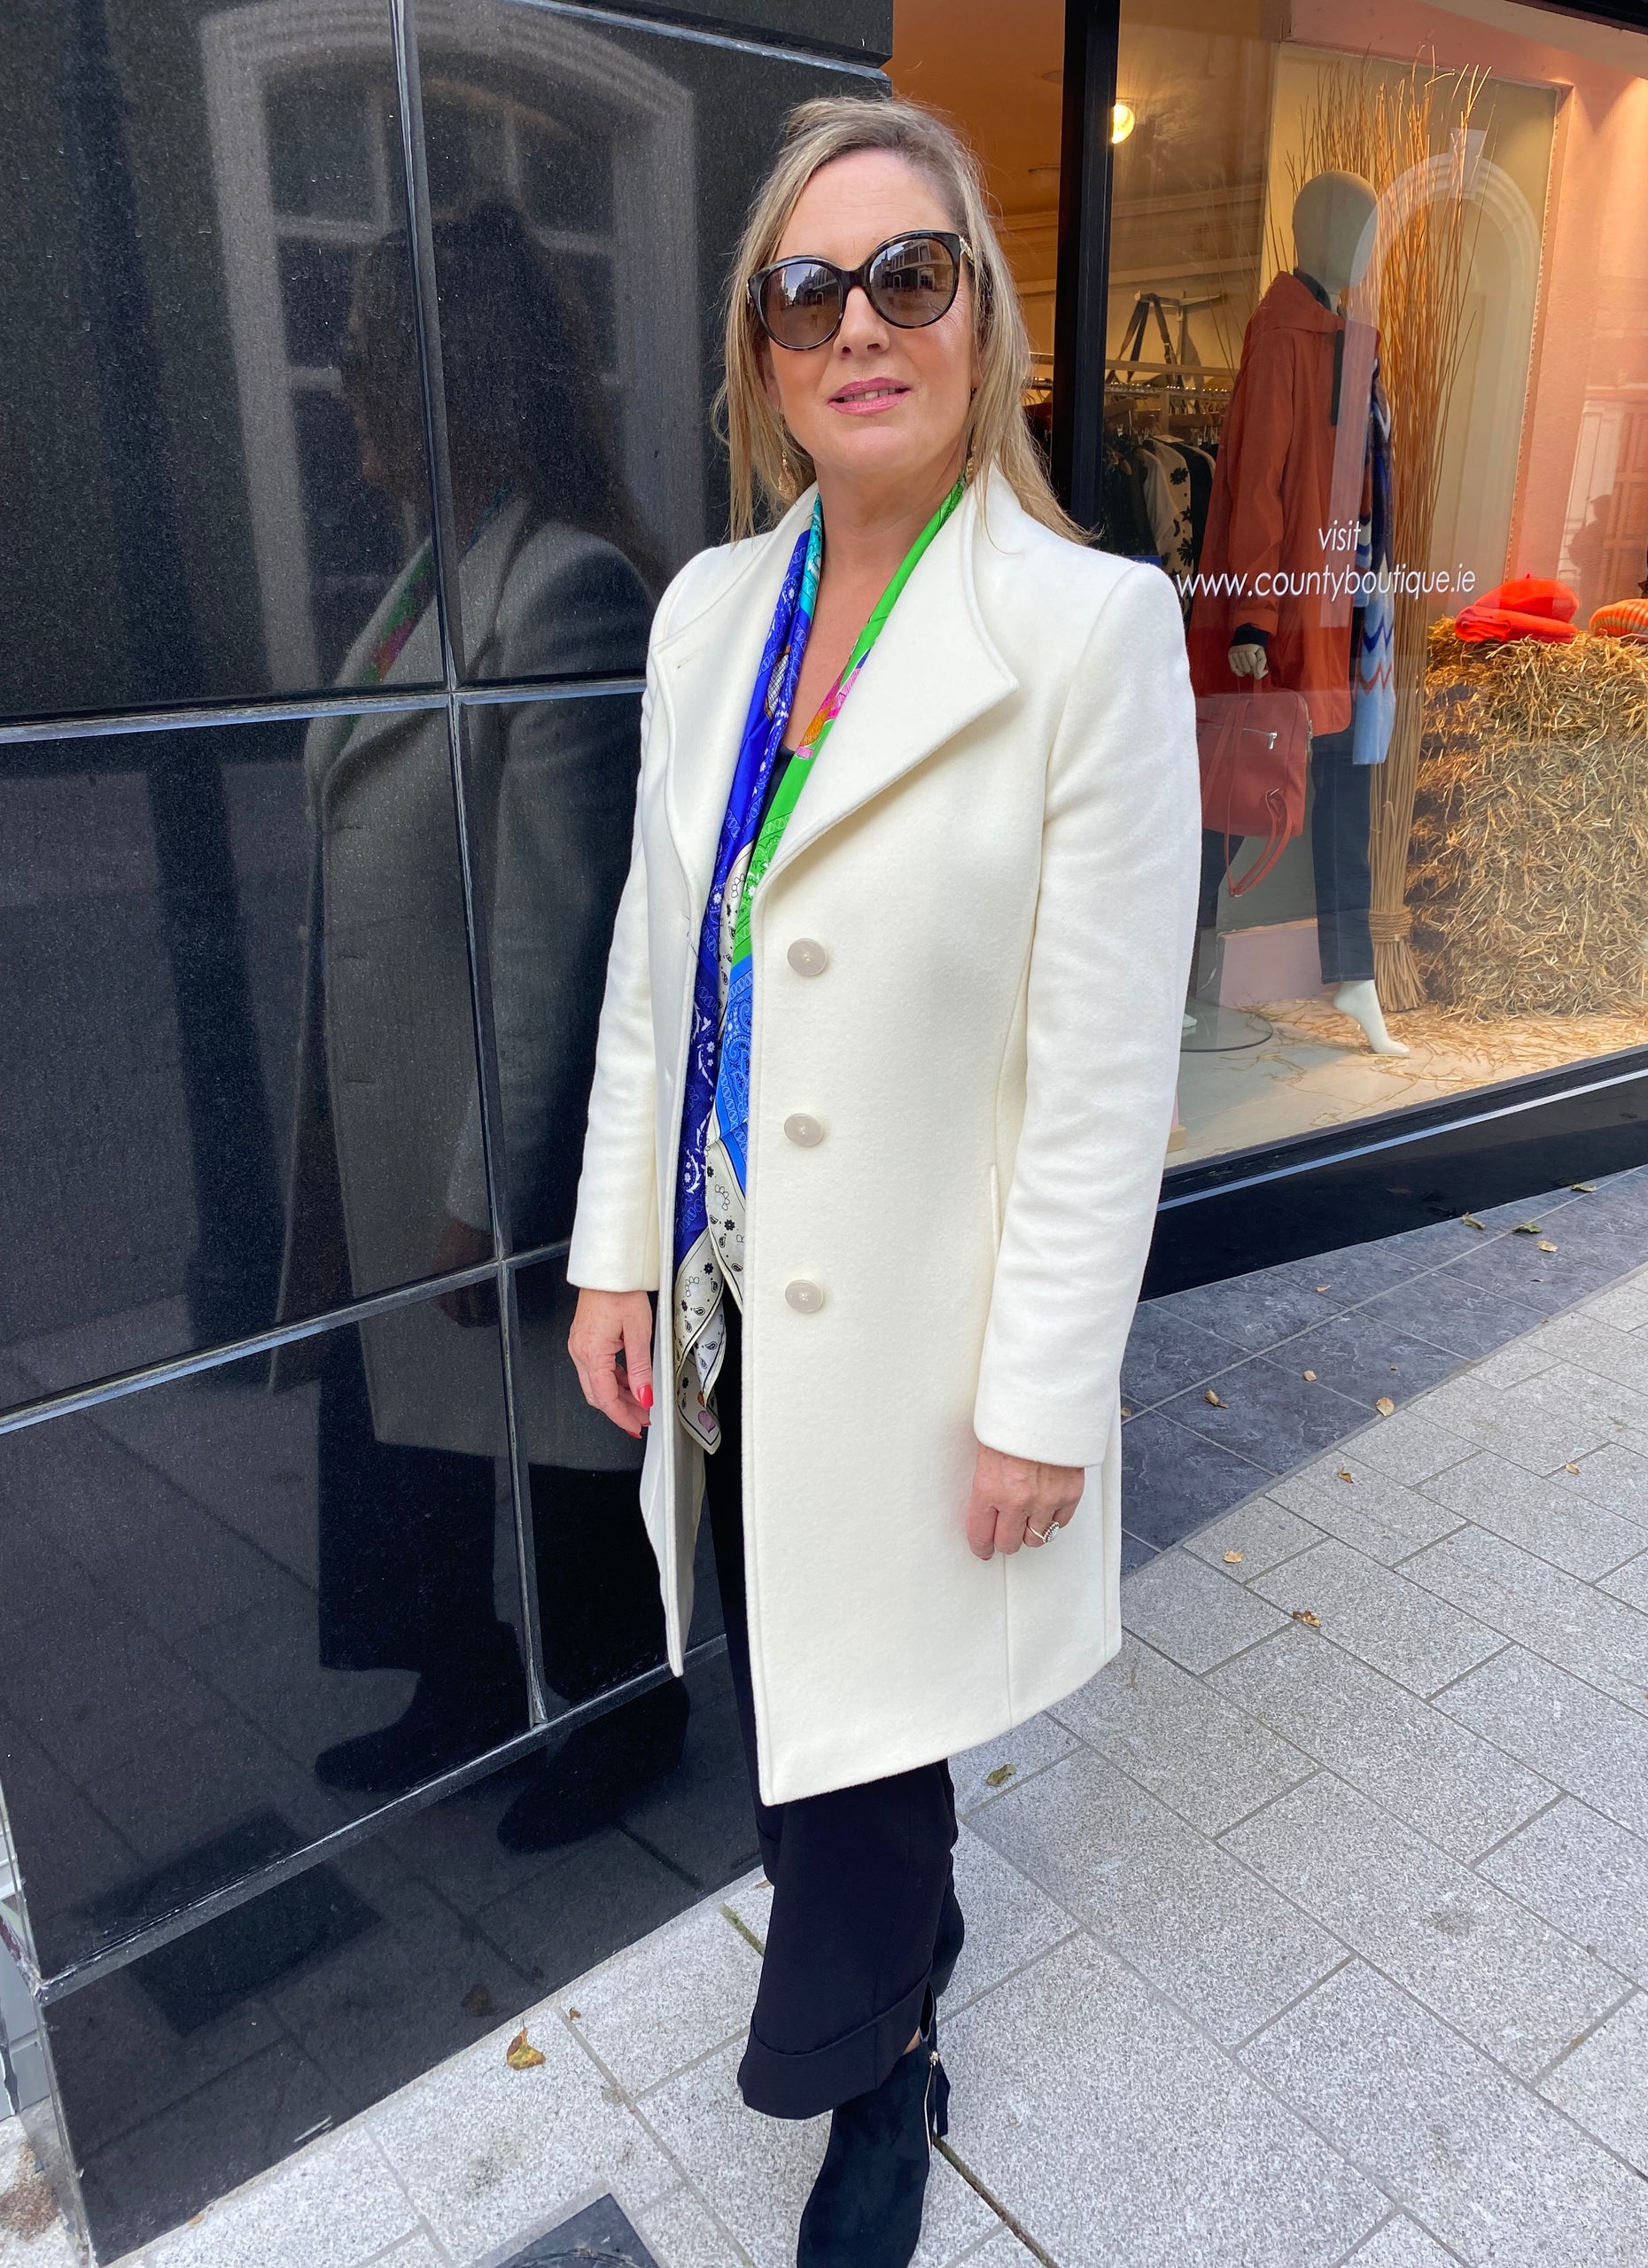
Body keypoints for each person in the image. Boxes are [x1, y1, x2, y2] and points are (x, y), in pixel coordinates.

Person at [566, 98, 1196, 2268]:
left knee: (861, 1734)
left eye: (906, 276)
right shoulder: (708, 615)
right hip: (736, 1286)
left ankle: (877, 2063)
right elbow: (656, 963)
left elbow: (1103, 1073)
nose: (859, 325)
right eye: (805, 290)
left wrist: (1044, 1393)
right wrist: (617, 1253)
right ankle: (891, 1972)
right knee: (798, 1681)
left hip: (924, 1326)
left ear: (981, 322)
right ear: (760, 353)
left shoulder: (1090, 631)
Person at [277, 199, 687, 1852]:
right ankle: (460, 1688)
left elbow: (560, 932)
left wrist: (488, 1189)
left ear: (463, 375)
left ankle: (622, 1719)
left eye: (374, 356)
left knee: (565, 1445)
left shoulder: (563, 590)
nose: (347, 388)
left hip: (488, 1138)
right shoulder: (435, 575)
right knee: (422, 1441)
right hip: (401, 1118)